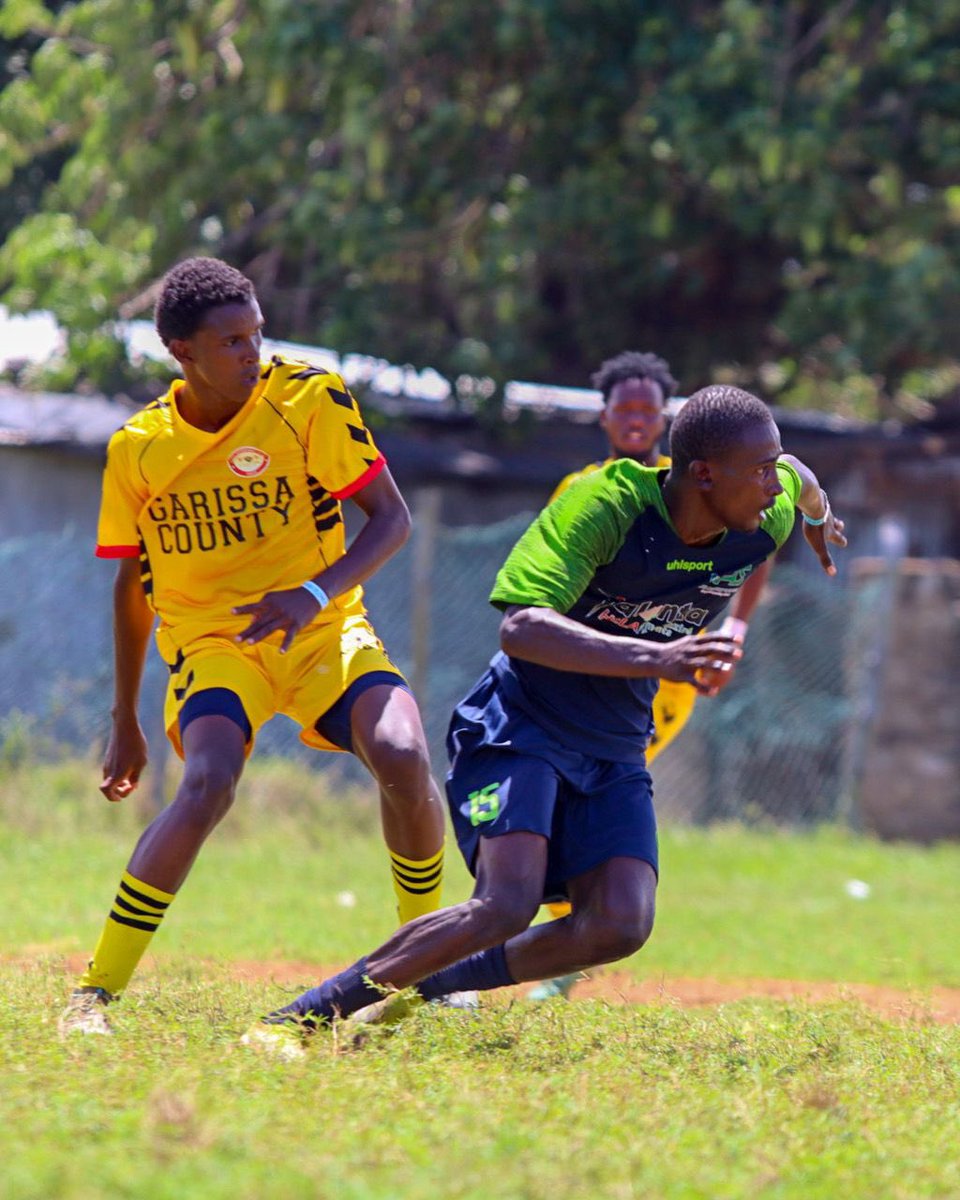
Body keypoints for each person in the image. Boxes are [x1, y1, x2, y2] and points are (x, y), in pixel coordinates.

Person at [244, 384, 846, 1050]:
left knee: (621, 923)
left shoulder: (767, 513)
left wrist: (817, 513)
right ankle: (295, 1022)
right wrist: (660, 654)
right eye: (758, 468)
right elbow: (522, 628)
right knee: (507, 903)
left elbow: (799, 477)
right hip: (521, 725)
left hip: (614, 745)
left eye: (772, 467)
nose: (770, 483)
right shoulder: (607, 506)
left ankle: (416, 992)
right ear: (704, 473)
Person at [59, 257, 446, 1035]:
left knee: (403, 753)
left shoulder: (308, 399)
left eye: (257, 334)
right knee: (206, 784)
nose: (253, 354)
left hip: (322, 628)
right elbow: (133, 586)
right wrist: (126, 719)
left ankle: (424, 970)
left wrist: (309, 597)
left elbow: (391, 518)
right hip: (216, 643)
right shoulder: (137, 449)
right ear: (182, 352)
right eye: (232, 341)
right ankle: (92, 998)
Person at [527, 350, 771, 1000]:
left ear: (665, 417)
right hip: (585, 676)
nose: (636, 419)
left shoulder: (696, 486)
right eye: (624, 408)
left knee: (578, 797)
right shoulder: (584, 488)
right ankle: (562, 936)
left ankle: (570, 944)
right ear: (604, 416)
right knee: (557, 798)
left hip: (659, 683)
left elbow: (761, 537)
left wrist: (733, 629)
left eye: (647, 409)